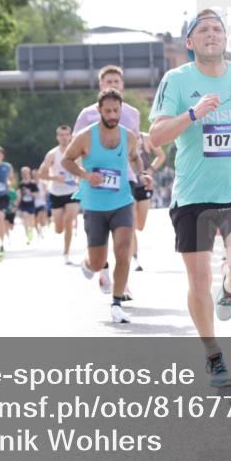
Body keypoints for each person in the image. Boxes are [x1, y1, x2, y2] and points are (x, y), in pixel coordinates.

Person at [149, 9, 231, 387]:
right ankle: (213, 355)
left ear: (225, 37)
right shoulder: (176, 80)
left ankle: (230, 287)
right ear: (190, 42)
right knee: (198, 280)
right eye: (203, 30)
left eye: (217, 28)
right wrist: (192, 113)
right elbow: (156, 137)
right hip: (193, 195)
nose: (212, 34)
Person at [62, 88, 153, 324]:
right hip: (94, 206)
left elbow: (135, 157)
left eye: (116, 111)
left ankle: (117, 303)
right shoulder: (86, 136)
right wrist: (85, 175)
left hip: (122, 202)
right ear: (99, 110)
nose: (113, 115)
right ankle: (88, 264)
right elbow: (66, 160)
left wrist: (142, 174)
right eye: (108, 111)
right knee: (96, 261)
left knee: (123, 251)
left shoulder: (128, 136)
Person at [74, 65, 142, 295]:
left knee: (126, 230)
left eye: (116, 81)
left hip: (125, 178)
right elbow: (76, 149)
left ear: (122, 85)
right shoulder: (87, 114)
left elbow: (134, 148)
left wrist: (142, 173)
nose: (113, 84)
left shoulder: (132, 113)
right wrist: (83, 177)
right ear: (101, 85)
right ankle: (99, 267)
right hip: (95, 181)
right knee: (100, 235)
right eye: (108, 81)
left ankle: (123, 283)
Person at [38, 125, 80, 264]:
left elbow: (83, 169)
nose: (64, 137)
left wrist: (79, 179)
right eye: (61, 135)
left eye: (66, 134)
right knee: (59, 229)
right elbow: (41, 174)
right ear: (57, 137)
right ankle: (57, 227)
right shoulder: (52, 154)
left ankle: (66, 253)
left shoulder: (76, 153)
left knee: (69, 221)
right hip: (56, 193)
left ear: (70, 136)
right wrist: (54, 178)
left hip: (72, 191)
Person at [131, 131, 166, 270]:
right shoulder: (121, 136)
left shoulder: (145, 138)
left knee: (139, 225)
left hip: (144, 186)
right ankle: (135, 258)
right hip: (128, 185)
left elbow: (161, 155)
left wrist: (150, 170)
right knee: (131, 223)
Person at [17, 166, 39, 243]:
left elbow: (37, 194)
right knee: (25, 218)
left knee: (31, 220)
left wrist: (30, 193)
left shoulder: (32, 184)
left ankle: (30, 232)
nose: (25, 174)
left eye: (26, 173)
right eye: (23, 173)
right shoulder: (20, 184)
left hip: (31, 204)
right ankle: (28, 236)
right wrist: (17, 205)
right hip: (23, 204)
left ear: (29, 173)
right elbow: (18, 195)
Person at [31, 168, 48, 237]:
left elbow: (46, 192)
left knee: (41, 217)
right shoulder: (31, 183)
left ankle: (42, 230)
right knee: (35, 220)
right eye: (34, 174)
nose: (35, 175)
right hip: (33, 203)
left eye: (36, 174)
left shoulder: (42, 183)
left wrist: (45, 201)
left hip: (42, 203)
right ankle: (38, 232)